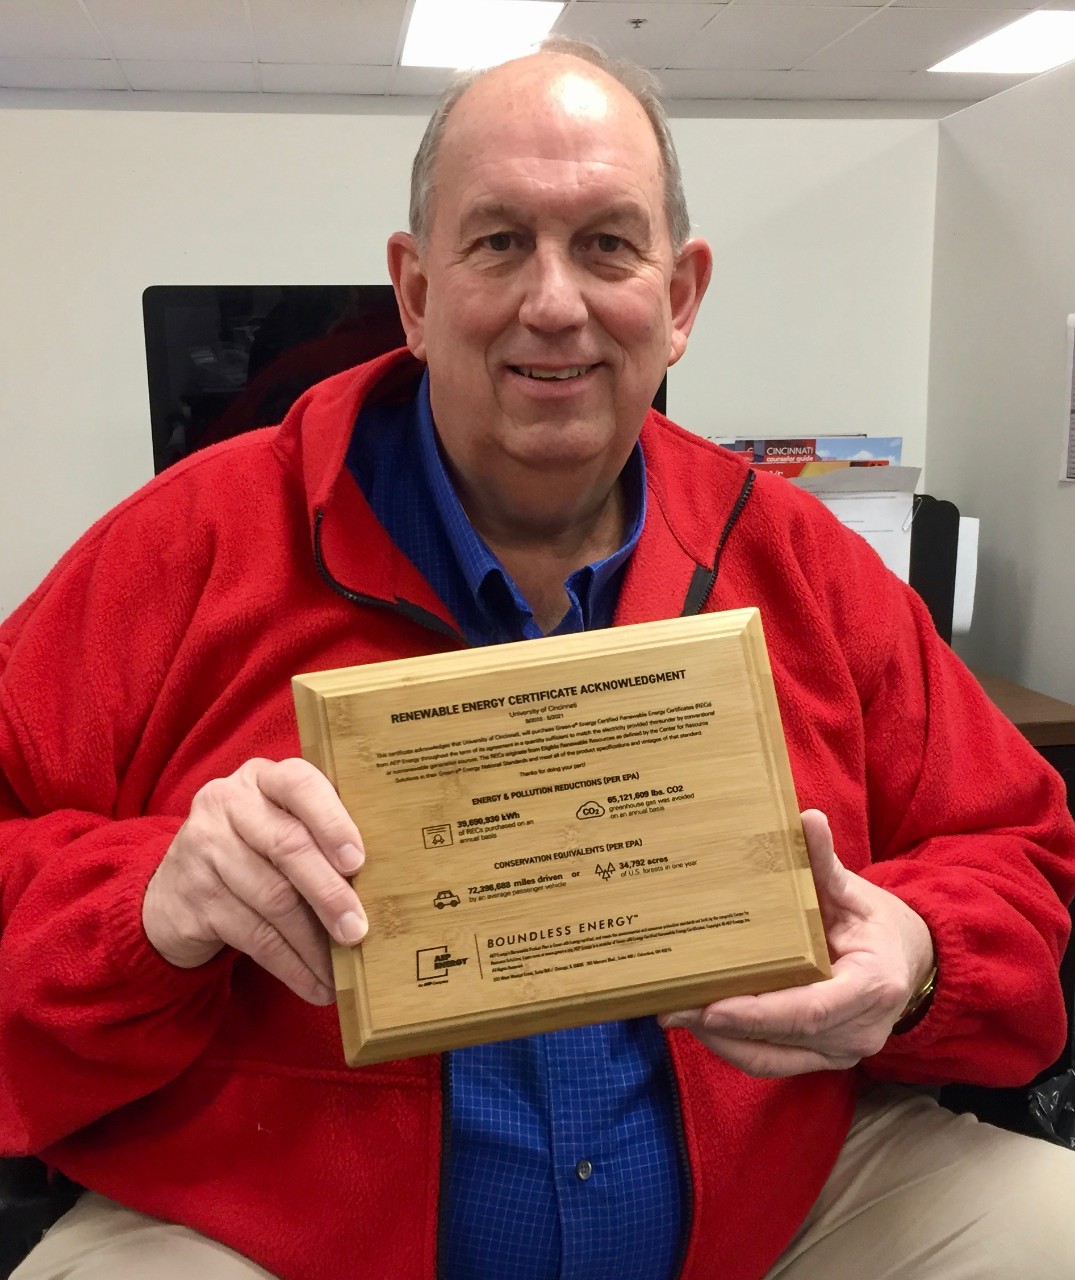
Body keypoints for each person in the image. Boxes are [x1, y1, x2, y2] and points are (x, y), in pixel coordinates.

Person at [1, 35, 1074, 1280]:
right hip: (268, 1230)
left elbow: (1023, 852)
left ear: (679, 300)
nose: (554, 301)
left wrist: (919, 950)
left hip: (779, 1205)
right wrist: (150, 900)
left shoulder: (799, 559)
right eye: (499, 239)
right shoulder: (185, 547)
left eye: (608, 243)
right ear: (412, 291)